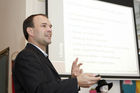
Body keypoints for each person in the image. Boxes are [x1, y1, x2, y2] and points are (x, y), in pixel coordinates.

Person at [12, 14, 101, 93]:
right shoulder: (26, 56)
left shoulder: (40, 56)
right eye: (44, 26)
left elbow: (51, 87)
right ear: (30, 31)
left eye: (50, 26)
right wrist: (76, 81)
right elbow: (39, 90)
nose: (49, 30)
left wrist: (73, 79)